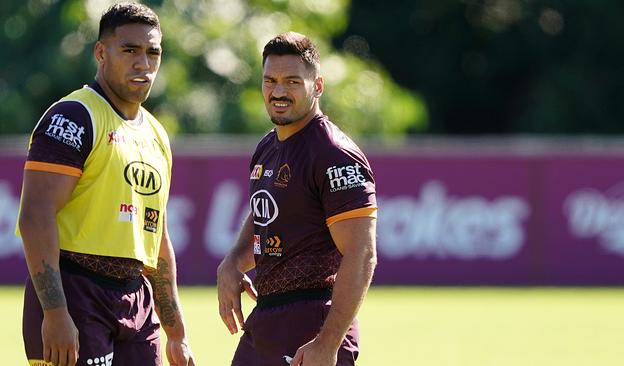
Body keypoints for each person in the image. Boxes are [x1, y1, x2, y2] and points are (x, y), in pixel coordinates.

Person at [17, 3, 195, 366]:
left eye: (152, 53)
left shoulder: (157, 135)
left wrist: (176, 333)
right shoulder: (73, 116)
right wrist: (55, 313)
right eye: (129, 50)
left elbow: (157, 240)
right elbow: (35, 217)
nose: (143, 64)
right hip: (76, 294)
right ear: (101, 52)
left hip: (136, 300)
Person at [217, 32, 378, 366]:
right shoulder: (267, 147)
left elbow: (362, 254)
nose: (278, 91)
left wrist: (327, 343)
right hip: (267, 320)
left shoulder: (333, 153)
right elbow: (267, 211)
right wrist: (233, 261)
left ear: (317, 86)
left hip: (313, 321)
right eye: (270, 81)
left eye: (292, 81)